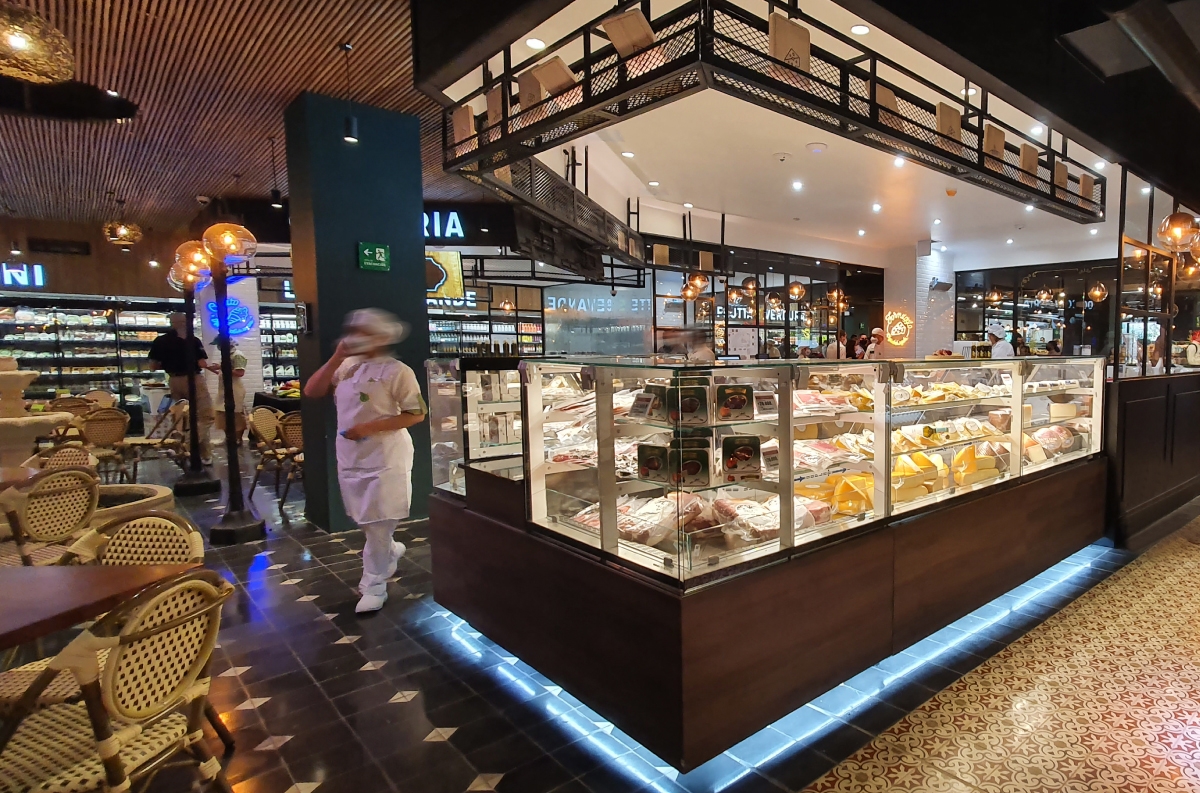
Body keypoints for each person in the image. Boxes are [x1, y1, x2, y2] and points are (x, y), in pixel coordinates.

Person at [303, 308, 427, 613]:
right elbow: (312, 389)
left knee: (379, 521)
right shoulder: (346, 367)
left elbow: (417, 413)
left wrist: (368, 428)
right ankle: (391, 549)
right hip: (351, 455)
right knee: (367, 519)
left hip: (386, 457)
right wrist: (335, 357)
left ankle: (374, 585)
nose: (356, 337)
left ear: (381, 337)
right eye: (354, 330)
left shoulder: (399, 371)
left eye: (364, 332)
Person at [149, 313, 215, 464]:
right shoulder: (193, 340)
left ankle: (205, 455)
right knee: (207, 416)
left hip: (173, 380)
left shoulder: (160, 341)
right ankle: (185, 447)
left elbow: (153, 366)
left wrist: (168, 362)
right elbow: (202, 363)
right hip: (194, 379)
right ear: (185, 322)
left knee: (186, 418)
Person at [209, 336, 247, 446]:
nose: (218, 347)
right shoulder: (227, 356)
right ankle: (229, 438)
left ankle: (238, 439)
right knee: (222, 414)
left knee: (236, 415)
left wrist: (222, 367)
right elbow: (225, 372)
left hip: (235, 389)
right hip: (223, 389)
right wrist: (212, 368)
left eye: (219, 345)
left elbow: (240, 373)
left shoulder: (237, 355)